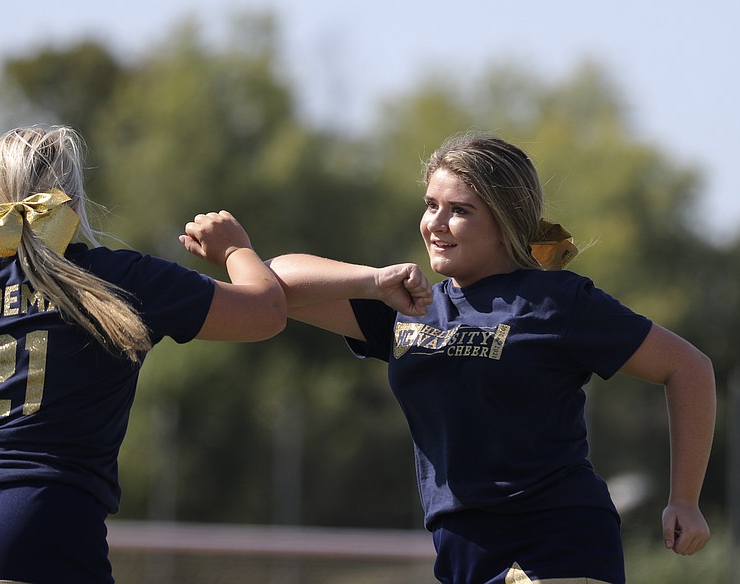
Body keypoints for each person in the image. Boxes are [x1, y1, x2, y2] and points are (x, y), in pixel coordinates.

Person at [261, 132, 716, 584]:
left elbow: (688, 367)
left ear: (505, 223)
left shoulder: (557, 301)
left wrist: (685, 499)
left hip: (555, 541)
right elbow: (277, 281)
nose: (436, 223)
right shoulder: (408, 305)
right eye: (431, 204)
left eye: (459, 210)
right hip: (461, 549)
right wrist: (372, 280)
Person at [0, 125, 286, 584]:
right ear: (75, 203)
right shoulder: (119, 280)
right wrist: (236, 249)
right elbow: (267, 310)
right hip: (48, 532)